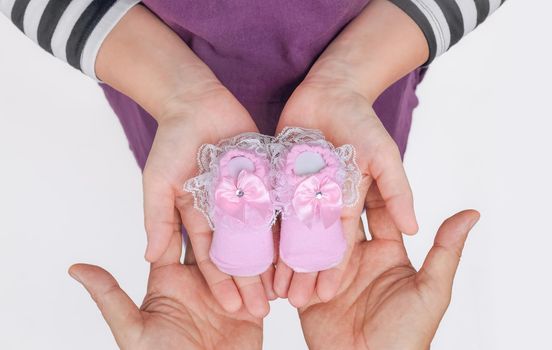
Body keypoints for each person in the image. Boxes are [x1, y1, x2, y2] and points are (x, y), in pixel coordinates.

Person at [1, 0, 503, 315]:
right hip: (160, 72)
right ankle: (274, 183)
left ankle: (273, 184)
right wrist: (176, 92)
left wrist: (352, 75)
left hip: (366, 74)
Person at [69, 210, 480, 349]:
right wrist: (354, 73)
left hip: (180, 117)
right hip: (354, 102)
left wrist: (174, 90)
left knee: (190, 202)